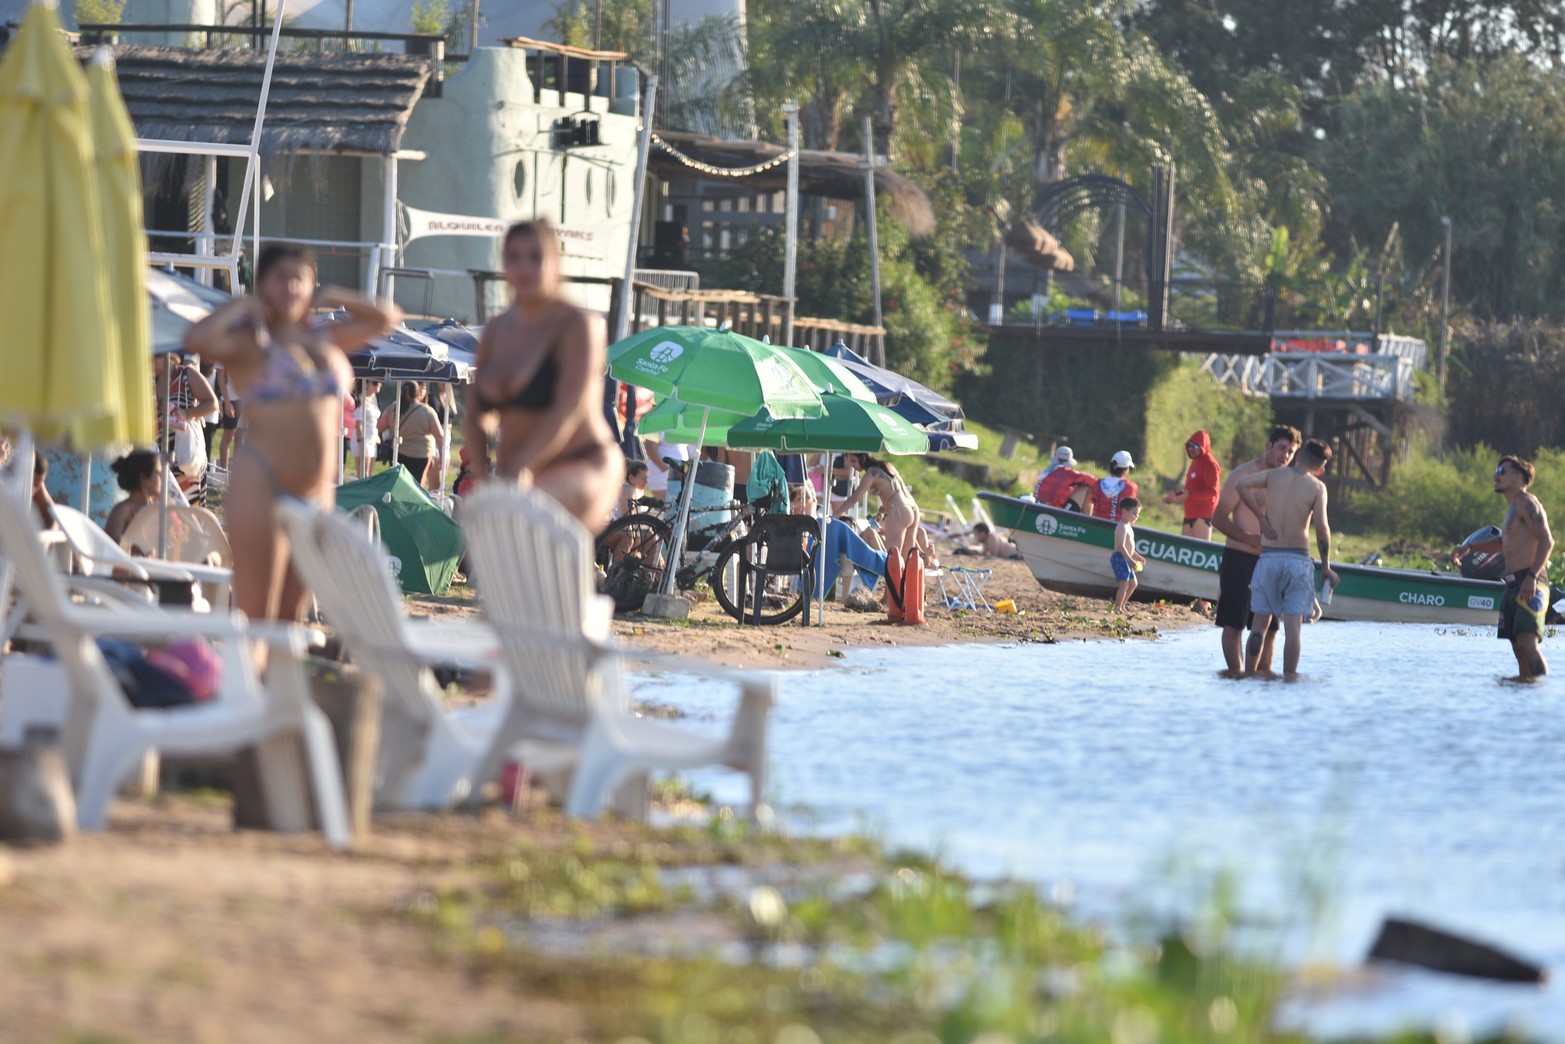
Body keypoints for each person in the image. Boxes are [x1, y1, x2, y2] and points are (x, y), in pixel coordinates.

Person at [184, 243, 397, 646]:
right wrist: (244, 305)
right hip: (260, 481)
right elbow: (197, 337)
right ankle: (247, 700)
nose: (291, 286)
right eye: (280, 277)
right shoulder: (251, 343)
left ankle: (272, 704)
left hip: (315, 492)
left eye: (300, 277)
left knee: (287, 623)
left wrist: (335, 295)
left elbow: (385, 317)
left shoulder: (326, 337)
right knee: (256, 618)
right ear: (262, 284)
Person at [466, 220, 624, 530]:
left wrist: (517, 469)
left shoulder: (577, 324)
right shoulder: (497, 330)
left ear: (555, 262)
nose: (524, 267)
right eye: (514, 257)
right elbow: (474, 414)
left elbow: (569, 406)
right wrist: (483, 477)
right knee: (501, 530)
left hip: (585, 464)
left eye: (536, 257)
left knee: (522, 515)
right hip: (525, 476)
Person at [1233, 438, 1338, 678]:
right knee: (1293, 630)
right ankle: (1289, 679)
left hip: (1269, 558)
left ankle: (1249, 676)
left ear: (1299, 455)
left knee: (1259, 623)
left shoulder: (1274, 476)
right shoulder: (1317, 487)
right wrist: (1326, 567)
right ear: (1320, 468)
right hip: (1297, 560)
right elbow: (1322, 529)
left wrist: (1260, 518)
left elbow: (1242, 485)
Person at [1451, 455, 1554, 678]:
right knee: (1518, 648)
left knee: (1528, 643)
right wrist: (1470, 547)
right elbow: (1503, 543)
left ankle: (1542, 699)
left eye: (1501, 471)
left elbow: (1547, 541)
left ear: (1518, 478)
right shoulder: (1512, 507)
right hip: (1512, 584)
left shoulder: (1527, 503)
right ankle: (1521, 698)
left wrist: (1532, 577)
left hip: (1530, 582)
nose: (1495, 476)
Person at [1211, 424, 1301, 674]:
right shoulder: (1244, 475)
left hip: (1272, 563)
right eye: (1282, 448)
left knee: (1270, 630)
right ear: (1268, 445)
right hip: (1239, 558)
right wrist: (1247, 538)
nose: (1285, 455)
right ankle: (1237, 675)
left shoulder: (1289, 482)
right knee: (1233, 626)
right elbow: (1217, 518)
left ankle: (1262, 680)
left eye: (1291, 452)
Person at [154, 352, 219, 506]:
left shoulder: (186, 374)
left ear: (162, 356)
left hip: (186, 455)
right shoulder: (153, 381)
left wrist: (187, 413)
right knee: (166, 515)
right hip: (161, 456)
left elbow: (212, 403)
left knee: (189, 513)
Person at [836, 451, 921, 556]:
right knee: (904, 561)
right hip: (912, 508)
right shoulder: (887, 466)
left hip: (898, 511)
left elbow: (854, 498)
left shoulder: (871, 473)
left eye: (854, 461)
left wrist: (835, 515)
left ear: (862, 457)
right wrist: (881, 512)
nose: (852, 466)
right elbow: (895, 492)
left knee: (892, 560)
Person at [379, 381, 443, 490]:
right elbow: (439, 435)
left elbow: (380, 426)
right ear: (417, 393)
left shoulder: (394, 408)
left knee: (399, 486)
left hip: (398, 453)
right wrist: (442, 455)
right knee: (416, 488)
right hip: (422, 455)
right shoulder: (427, 411)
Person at [1163, 430, 1222, 540]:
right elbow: (1188, 490)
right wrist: (1175, 497)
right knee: (1184, 551)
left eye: (1195, 446)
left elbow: (1213, 491)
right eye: (1190, 445)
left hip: (1202, 515)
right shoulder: (1195, 462)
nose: (1191, 449)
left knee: (1201, 552)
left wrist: (1189, 495)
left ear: (1203, 446)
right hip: (1189, 513)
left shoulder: (1210, 464)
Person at [104, 450, 163, 545]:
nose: (162, 477)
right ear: (143, 478)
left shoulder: (160, 508)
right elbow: (109, 548)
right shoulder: (123, 510)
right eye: (158, 473)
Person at [1111, 497, 1146, 612]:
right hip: (1120, 557)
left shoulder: (1129, 527)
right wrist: (1130, 560)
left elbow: (1130, 547)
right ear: (1125, 512)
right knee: (1124, 584)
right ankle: (1117, 607)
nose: (1137, 516)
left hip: (1126, 557)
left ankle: (1122, 604)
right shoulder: (1121, 527)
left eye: (1138, 514)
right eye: (1134, 513)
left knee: (1133, 583)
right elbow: (1121, 546)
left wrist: (1137, 556)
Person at [1089, 451, 1139, 521]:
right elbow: (1132, 512)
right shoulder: (1131, 487)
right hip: (1120, 529)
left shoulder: (1098, 484)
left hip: (1097, 526)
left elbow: (1090, 504)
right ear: (1126, 469)